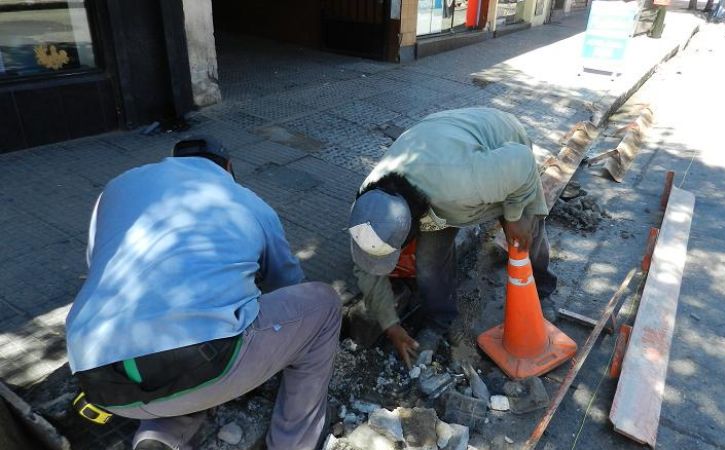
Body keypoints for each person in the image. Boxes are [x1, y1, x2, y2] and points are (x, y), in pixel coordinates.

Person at [65, 136, 341, 450]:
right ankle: (294, 442)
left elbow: (98, 263)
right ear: (229, 167)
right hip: (202, 362)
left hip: (98, 380)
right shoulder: (248, 201)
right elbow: (288, 284)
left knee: (182, 347)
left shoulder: (116, 188)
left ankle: (160, 435)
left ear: (173, 161)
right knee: (324, 305)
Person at [348, 108, 556, 367]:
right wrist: (391, 325)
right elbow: (367, 269)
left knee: (525, 237)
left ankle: (543, 290)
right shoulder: (367, 208)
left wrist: (514, 216)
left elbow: (522, 161)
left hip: (502, 146)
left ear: (413, 226)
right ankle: (440, 320)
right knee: (428, 261)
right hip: (437, 161)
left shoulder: (463, 182)